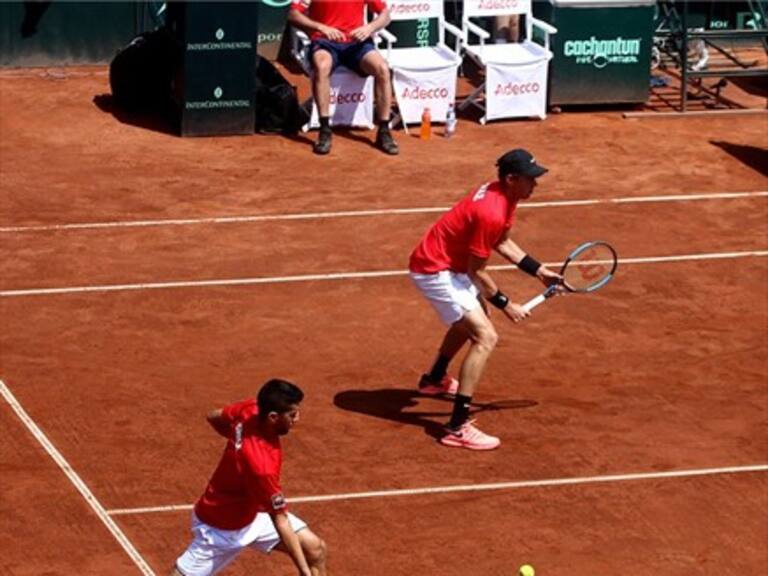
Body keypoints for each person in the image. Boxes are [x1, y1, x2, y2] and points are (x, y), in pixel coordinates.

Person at [408, 149, 562, 451]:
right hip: (435, 269)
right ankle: (456, 427)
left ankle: (434, 379)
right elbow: (476, 272)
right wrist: (507, 304)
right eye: (531, 179)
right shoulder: (491, 210)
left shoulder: (505, 197)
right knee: (485, 336)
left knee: (473, 321)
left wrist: (539, 271)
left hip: (447, 264)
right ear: (511, 179)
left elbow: (502, 241)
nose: (536, 184)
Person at [171, 379, 327, 576]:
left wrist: (236, 443)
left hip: (252, 514)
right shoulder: (261, 466)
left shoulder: (251, 409)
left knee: (315, 549)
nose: (297, 419)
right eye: (292, 415)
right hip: (221, 528)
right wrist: (304, 571)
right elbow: (281, 522)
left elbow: (213, 416)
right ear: (272, 417)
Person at [287, 0, 399, 156]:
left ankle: (384, 131)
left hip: (357, 44)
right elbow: (293, 15)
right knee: (322, 66)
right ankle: (325, 129)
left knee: (383, 69)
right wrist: (321, 27)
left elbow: (385, 15)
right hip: (325, 42)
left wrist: (369, 28)